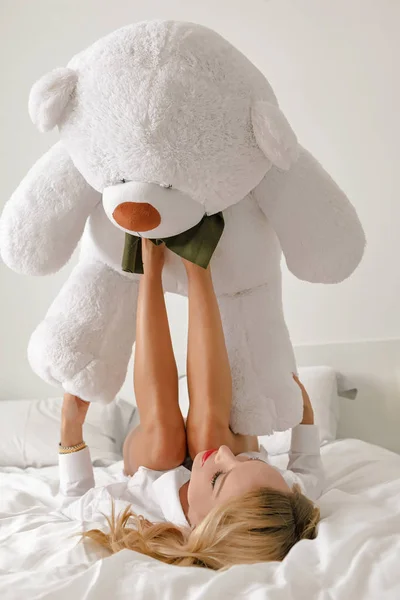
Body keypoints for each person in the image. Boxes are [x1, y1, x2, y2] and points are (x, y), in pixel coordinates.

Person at [58, 240, 324, 569]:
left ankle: (149, 269)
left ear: (198, 525)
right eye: (247, 462)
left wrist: (71, 429)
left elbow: (74, 502)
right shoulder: (281, 500)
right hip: (215, 427)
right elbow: (308, 473)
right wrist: (306, 417)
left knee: (164, 445)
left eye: (220, 478)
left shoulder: (140, 513)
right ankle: (198, 266)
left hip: (151, 460)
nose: (226, 458)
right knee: (210, 438)